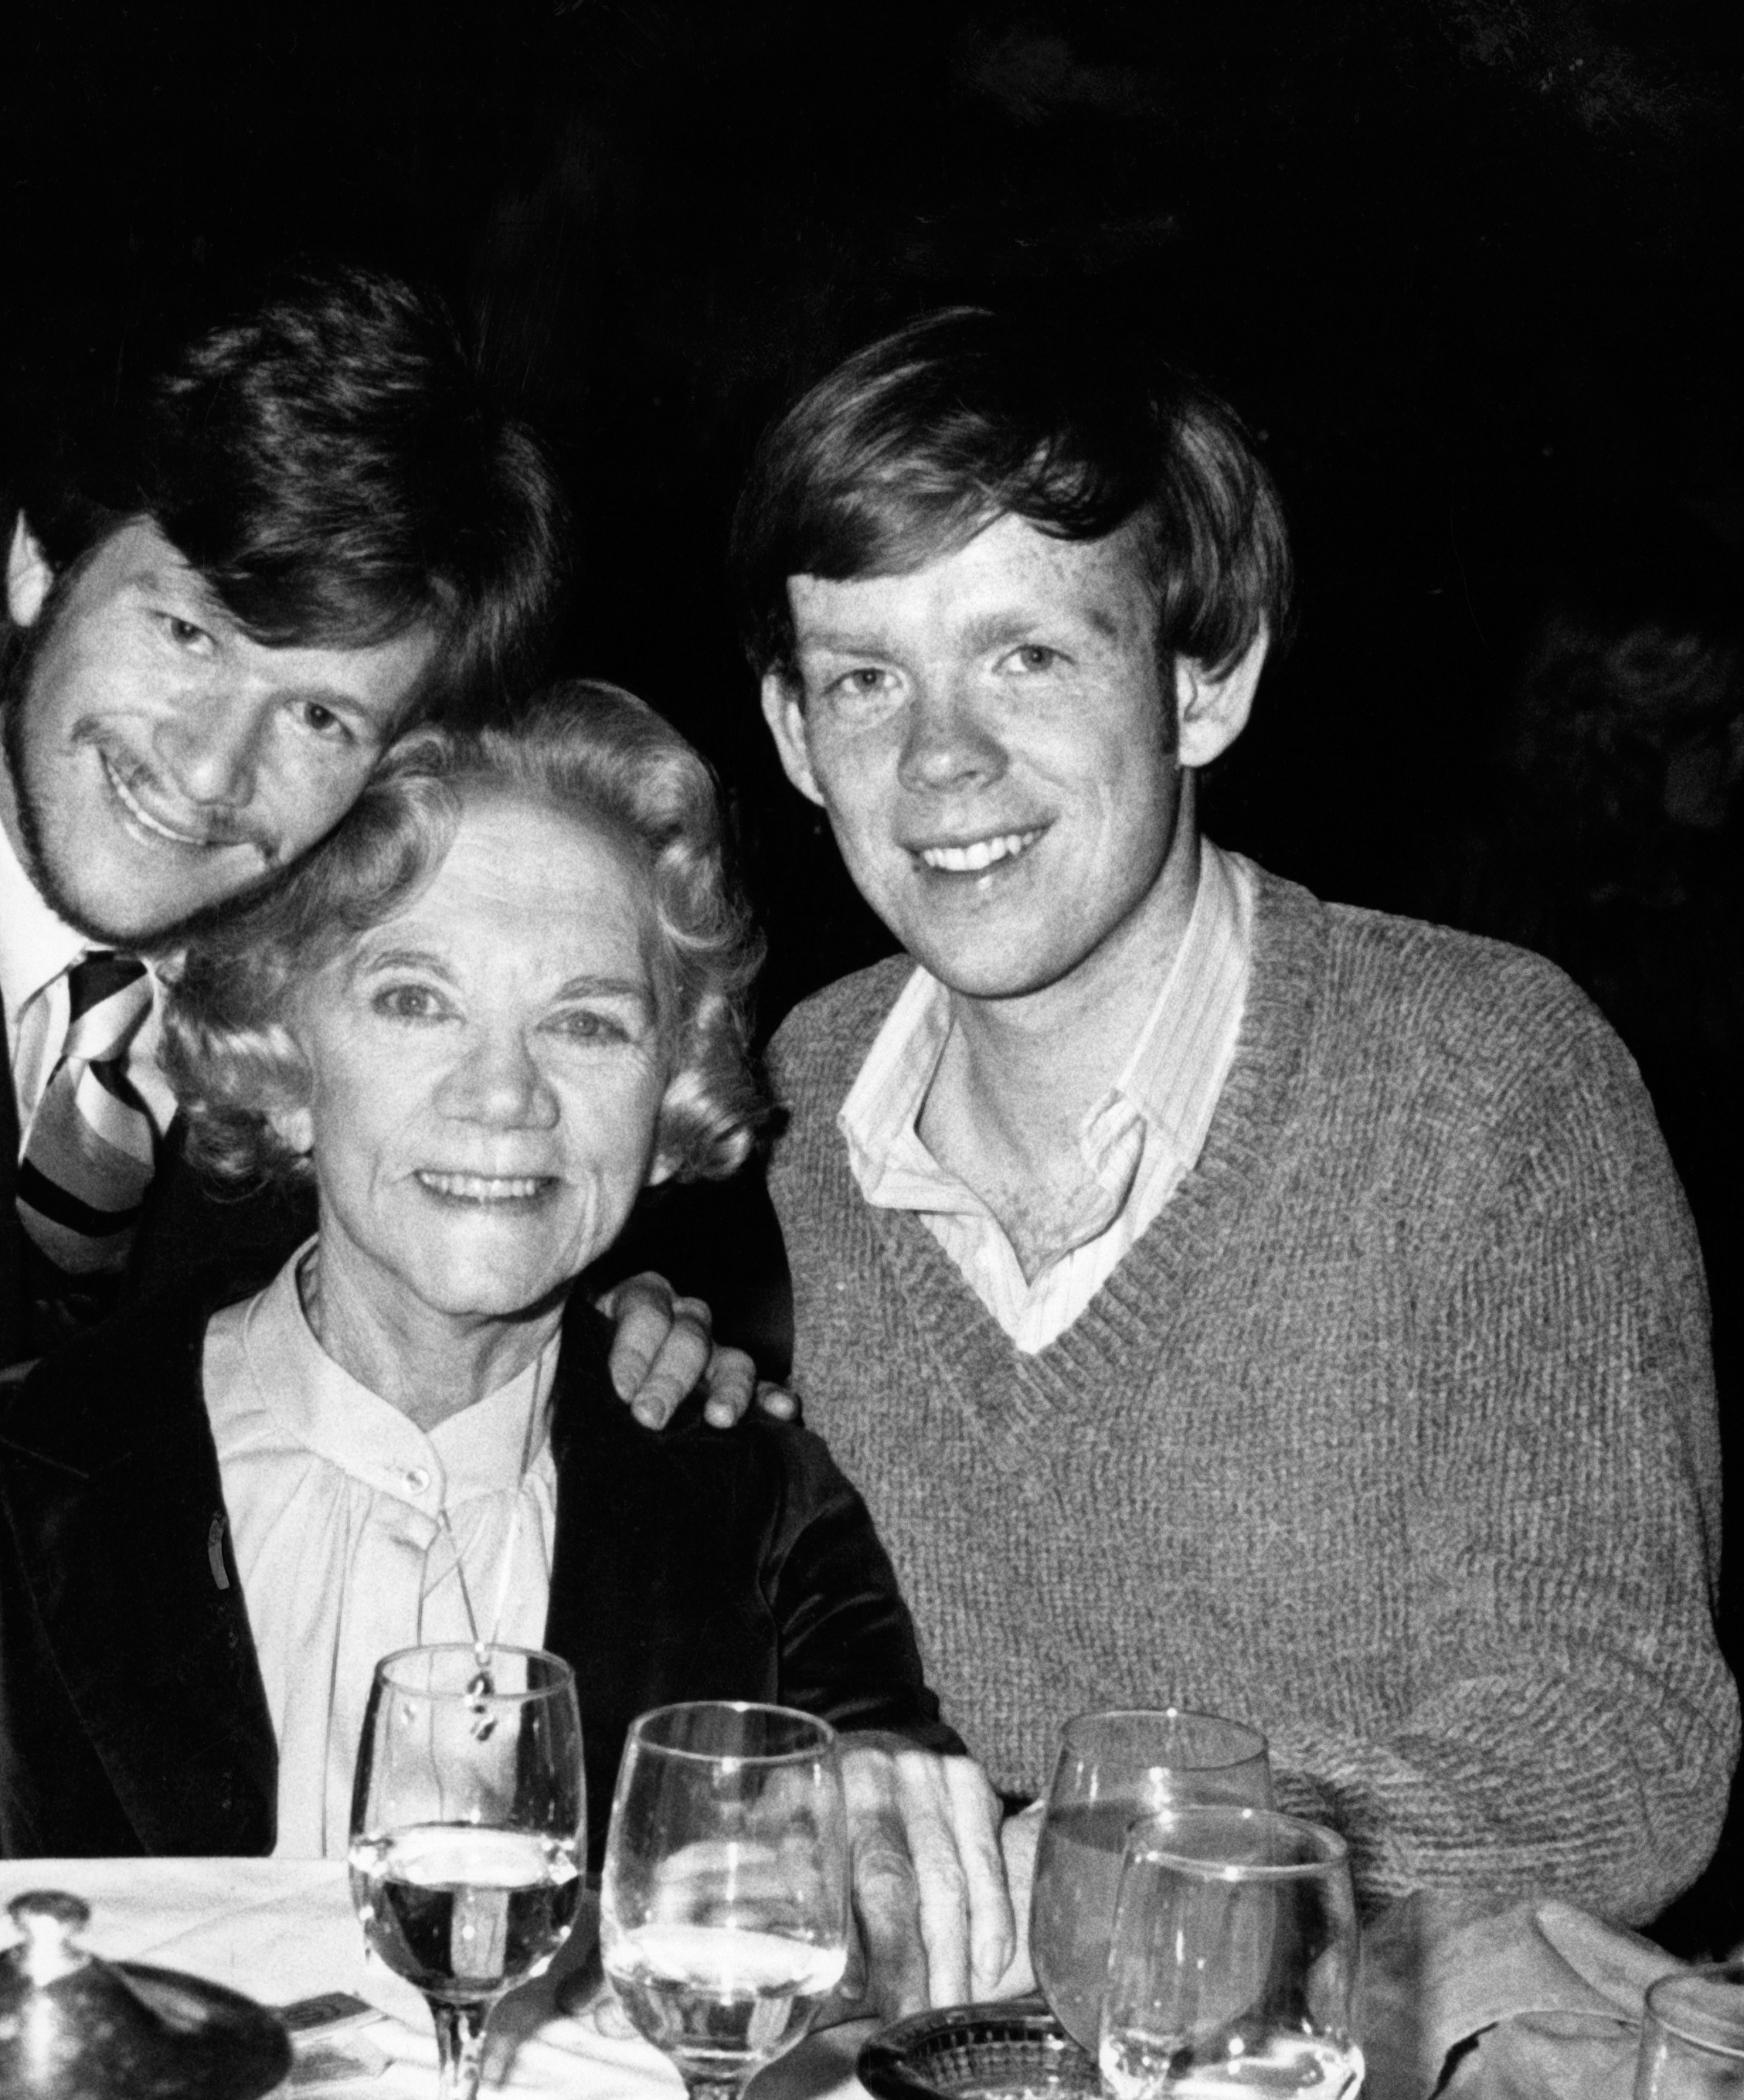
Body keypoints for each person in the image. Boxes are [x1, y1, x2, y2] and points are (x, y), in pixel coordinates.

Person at [0, 268, 742, 1865]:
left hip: (179, 1746)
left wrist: (589, 1312)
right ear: (36, 560)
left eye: (319, 713)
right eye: (185, 630)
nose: (211, 770)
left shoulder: (369, 949)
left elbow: (496, 1185)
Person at [725, 308, 1738, 1928]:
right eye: (865, 680)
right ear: (793, 736)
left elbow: (1618, 1747)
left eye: (1028, 656)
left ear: (1207, 683)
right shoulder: (776, 1114)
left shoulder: (1483, 1083)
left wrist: (1160, 1865)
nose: (940, 762)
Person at [0, 686, 1018, 2017]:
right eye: (415, 998)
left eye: (586, 1022)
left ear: (668, 1090)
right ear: (283, 1051)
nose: (503, 1096)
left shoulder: (759, 1510)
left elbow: (881, 1957)